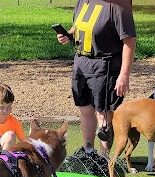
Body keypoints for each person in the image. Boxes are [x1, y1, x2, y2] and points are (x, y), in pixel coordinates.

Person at [56, 0, 136, 159]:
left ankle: (103, 158)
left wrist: (124, 75)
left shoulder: (118, 5)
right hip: (81, 62)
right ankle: (88, 151)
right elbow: (79, 26)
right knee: (85, 109)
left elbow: (129, 41)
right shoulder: (84, 0)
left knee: (103, 113)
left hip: (104, 65)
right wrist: (69, 35)